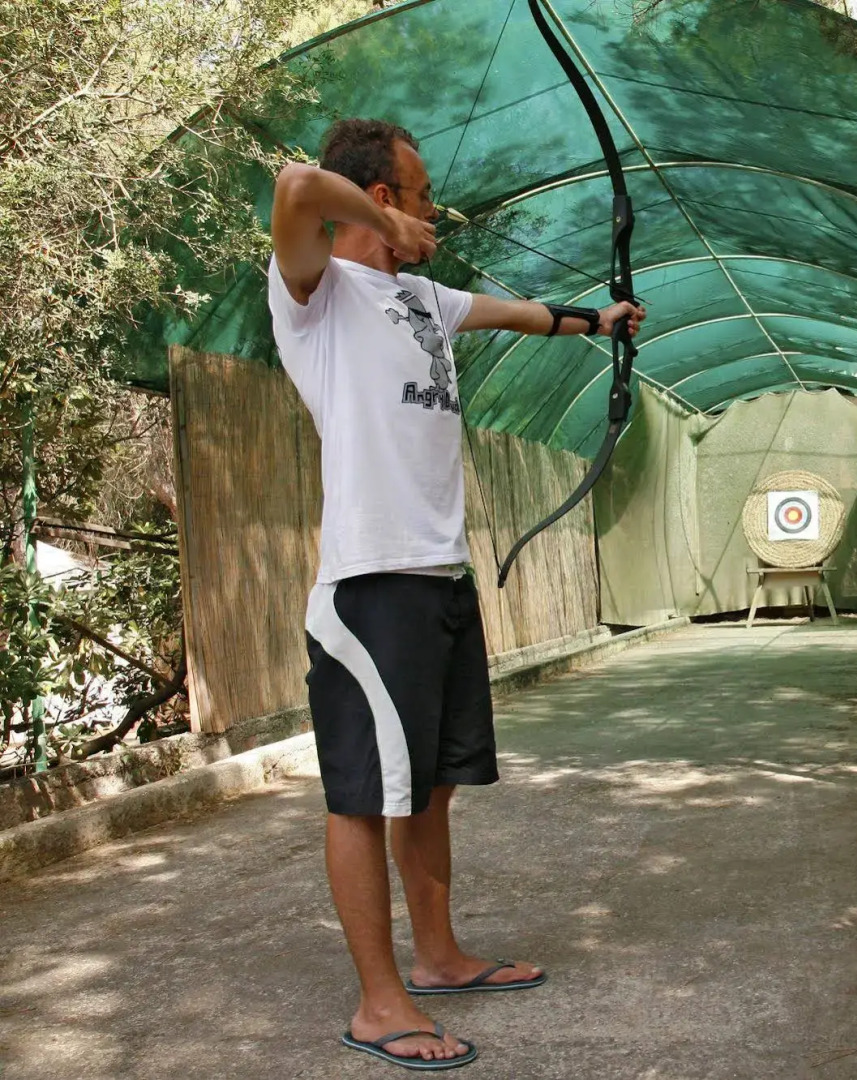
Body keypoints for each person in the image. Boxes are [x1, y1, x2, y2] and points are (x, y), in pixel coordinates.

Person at [266, 117, 645, 1071]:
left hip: (440, 578)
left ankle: (436, 959)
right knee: (363, 797)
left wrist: (597, 321)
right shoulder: (316, 292)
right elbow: (295, 185)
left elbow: (521, 316)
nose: (436, 213)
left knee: (430, 789)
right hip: (370, 583)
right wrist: (387, 228)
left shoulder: (424, 298)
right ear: (380, 198)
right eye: (421, 197)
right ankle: (377, 1003)